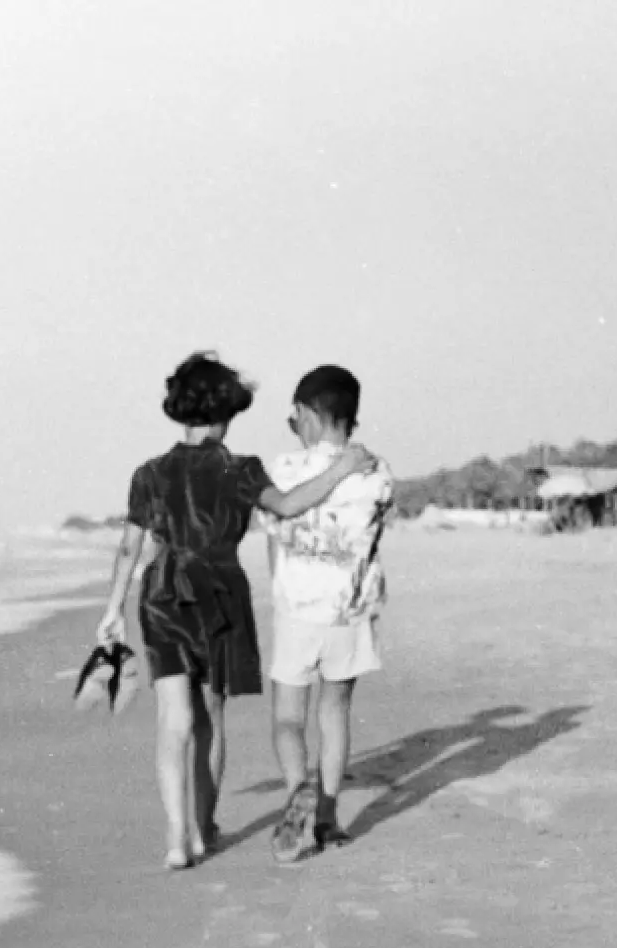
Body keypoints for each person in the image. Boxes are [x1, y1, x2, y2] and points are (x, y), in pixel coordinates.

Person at [95, 353, 376, 870]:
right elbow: (290, 505)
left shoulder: (149, 474)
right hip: (221, 595)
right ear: (228, 412)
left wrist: (112, 611)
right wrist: (341, 468)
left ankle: (179, 840)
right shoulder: (240, 469)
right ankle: (206, 827)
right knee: (212, 717)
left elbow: (128, 548)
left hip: (163, 596)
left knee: (173, 720)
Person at [257, 364, 394, 863]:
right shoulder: (378, 474)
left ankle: (299, 789)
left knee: (288, 719)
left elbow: (274, 531)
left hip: (297, 610)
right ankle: (329, 817)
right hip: (350, 612)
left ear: (310, 416)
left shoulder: (285, 471)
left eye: (295, 419)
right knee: (334, 713)